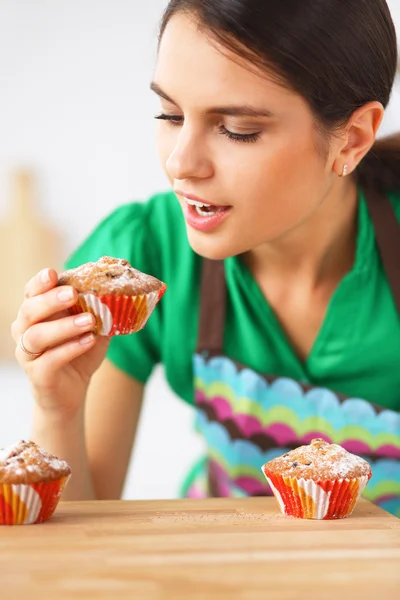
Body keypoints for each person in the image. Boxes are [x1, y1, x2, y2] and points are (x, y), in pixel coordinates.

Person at [12, 0, 400, 517]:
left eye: (237, 128)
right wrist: (57, 406)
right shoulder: (147, 249)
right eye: (170, 115)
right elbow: (81, 534)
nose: (180, 164)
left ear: (351, 138)